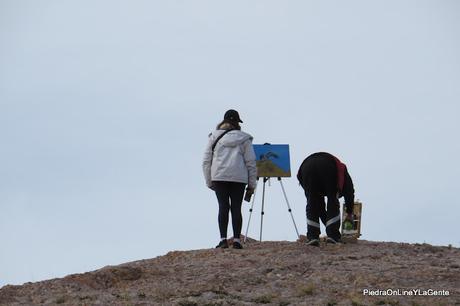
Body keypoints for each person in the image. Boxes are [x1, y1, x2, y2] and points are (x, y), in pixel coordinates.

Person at [202, 109, 257, 249]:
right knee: (236, 208)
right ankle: (237, 240)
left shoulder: (213, 137)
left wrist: (209, 181)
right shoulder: (244, 139)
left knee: (223, 206)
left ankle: (223, 240)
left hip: (219, 177)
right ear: (237, 123)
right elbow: (251, 163)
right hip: (239, 178)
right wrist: (252, 185)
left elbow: (206, 161)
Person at [297, 152, 355, 246]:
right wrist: (349, 212)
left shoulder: (339, 171)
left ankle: (313, 237)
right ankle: (333, 237)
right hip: (328, 165)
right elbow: (350, 193)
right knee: (332, 200)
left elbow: (321, 210)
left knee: (312, 202)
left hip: (305, 167)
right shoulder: (343, 173)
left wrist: (328, 225)